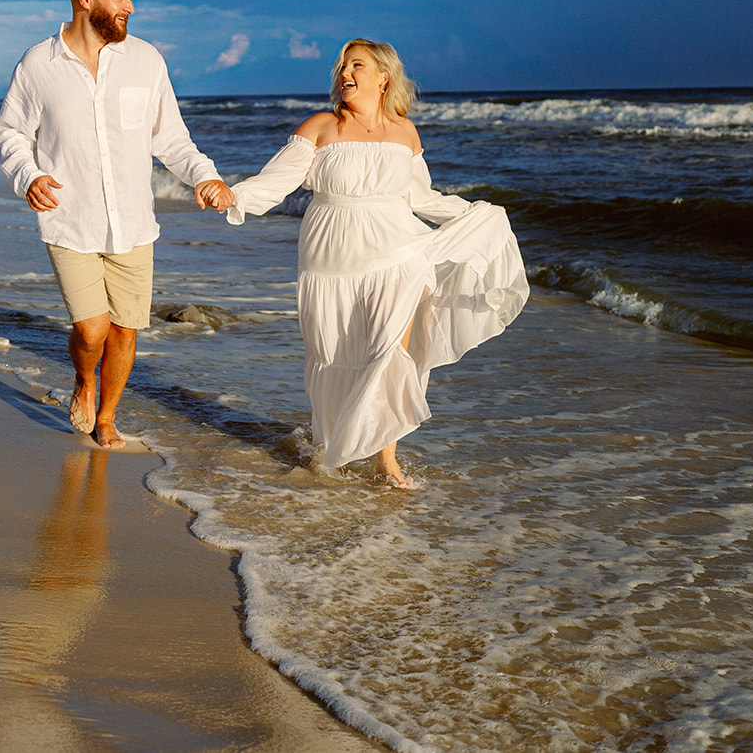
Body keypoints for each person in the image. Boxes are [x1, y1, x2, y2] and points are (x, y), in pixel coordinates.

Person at [225, 39, 529, 487]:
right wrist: (234, 196)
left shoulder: (404, 132)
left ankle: (387, 457)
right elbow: (277, 182)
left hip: (397, 251)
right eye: (342, 66)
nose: (345, 73)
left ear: (383, 77)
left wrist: (476, 215)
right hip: (331, 257)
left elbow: (420, 197)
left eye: (357, 65)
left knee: (390, 350)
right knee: (333, 350)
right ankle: (333, 441)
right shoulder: (322, 126)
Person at [0, 0, 234, 449]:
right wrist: (29, 174)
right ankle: (83, 380)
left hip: (133, 223)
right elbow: (11, 132)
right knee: (92, 329)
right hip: (68, 220)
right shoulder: (39, 64)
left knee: (124, 331)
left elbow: (172, 139)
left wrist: (205, 177)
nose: (131, 6)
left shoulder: (147, 61)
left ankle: (106, 415)